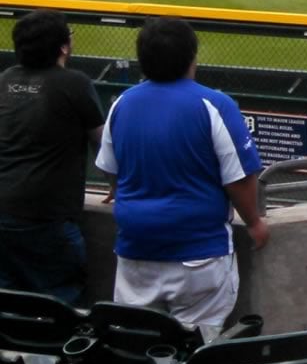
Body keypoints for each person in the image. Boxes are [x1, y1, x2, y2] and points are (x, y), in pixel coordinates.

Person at [95, 18, 269, 339]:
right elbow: (240, 179)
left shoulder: (123, 103)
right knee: (196, 351)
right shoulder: (214, 104)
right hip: (198, 256)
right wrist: (254, 222)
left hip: (136, 253)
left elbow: (110, 169)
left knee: (140, 346)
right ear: (192, 57)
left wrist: (126, 193)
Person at [0, 10, 104, 304]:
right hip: (46, 220)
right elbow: (103, 145)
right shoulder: (74, 83)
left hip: (5, 214)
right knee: (60, 308)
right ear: (63, 47)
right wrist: (116, 185)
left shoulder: (4, 79)